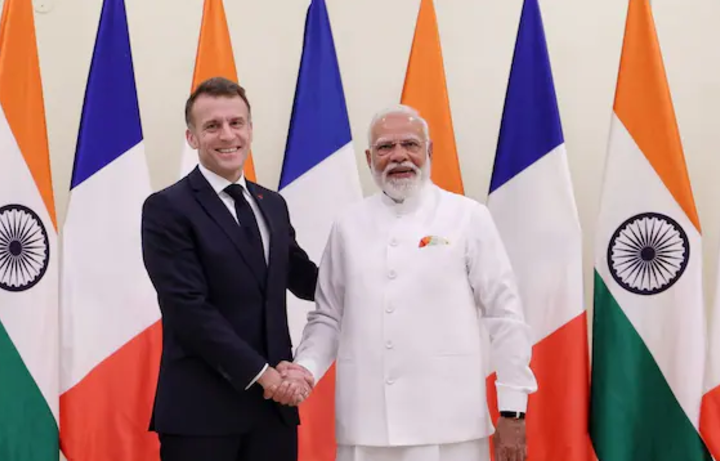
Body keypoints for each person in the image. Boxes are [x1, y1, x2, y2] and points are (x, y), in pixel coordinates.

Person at [278, 105, 538, 461]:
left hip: (449, 427)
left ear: (429, 151)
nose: (399, 155)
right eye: (385, 147)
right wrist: (304, 370)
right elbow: (328, 316)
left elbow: (504, 316)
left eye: (410, 144)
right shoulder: (348, 224)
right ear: (369, 158)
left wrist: (513, 408)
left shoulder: (468, 217)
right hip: (366, 426)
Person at [140, 76, 316, 461]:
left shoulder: (272, 204)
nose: (227, 135)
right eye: (212, 126)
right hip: (202, 414)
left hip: (273, 414)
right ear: (192, 138)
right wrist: (265, 376)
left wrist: (373, 275)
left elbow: (302, 276)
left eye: (236, 123)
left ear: (250, 129)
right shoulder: (167, 208)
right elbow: (188, 309)